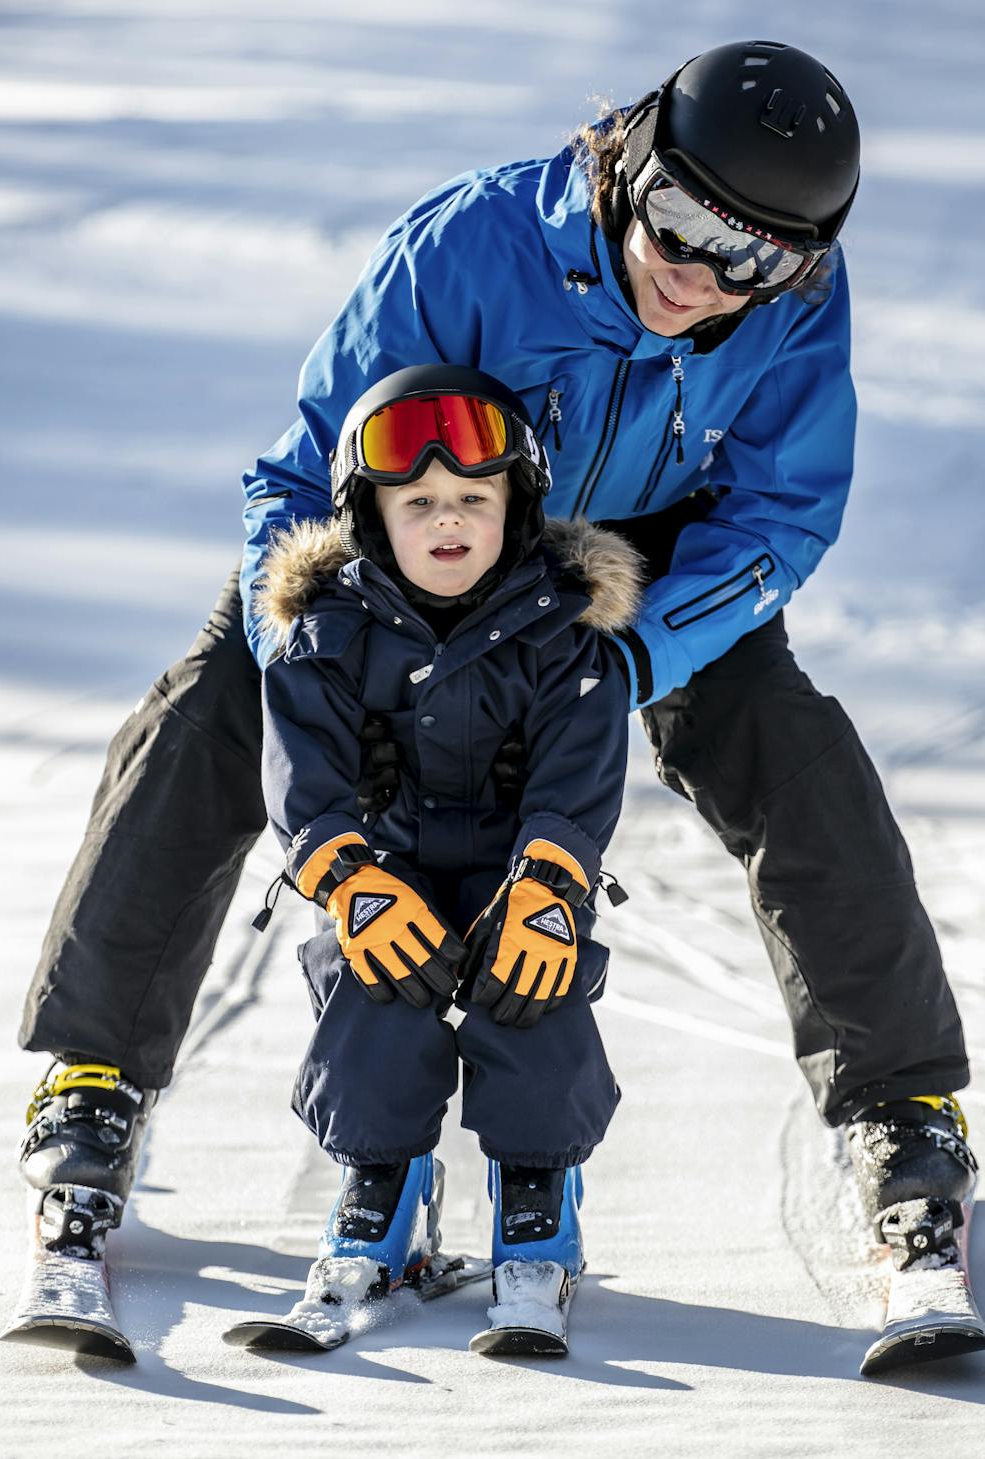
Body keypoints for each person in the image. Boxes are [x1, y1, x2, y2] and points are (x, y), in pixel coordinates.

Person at [19, 41, 975, 1273]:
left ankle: (901, 1109)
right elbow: (305, 474)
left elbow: (779, 513)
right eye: (682, 222)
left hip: (637, 554)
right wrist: (302, 647)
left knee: (792, 750)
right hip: (425, 519)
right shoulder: (469, 246)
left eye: (757, 257)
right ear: (629, 160)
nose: (703, 275)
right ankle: (94, 1074)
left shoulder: (786, 301)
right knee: (212, 710)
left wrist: (636, 654)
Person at [254, 363, 637, 1337]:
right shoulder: (326, 634)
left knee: (534, 989)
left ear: (518, 504)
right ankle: (381, 1188)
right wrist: (346, 876)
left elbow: (578, 771)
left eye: (473, 496)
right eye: (417, 501)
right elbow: (302, 774)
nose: (447, 520)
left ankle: (538, 1204)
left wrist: (552, 882)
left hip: (520, 872)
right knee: (376, 989)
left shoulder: (562, 631)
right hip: (391, 870)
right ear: (371, 513)